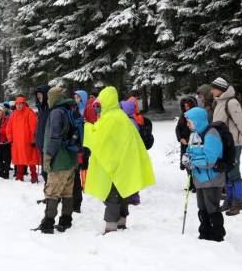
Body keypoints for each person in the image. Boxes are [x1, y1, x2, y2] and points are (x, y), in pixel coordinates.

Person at [83, 86, 155, 233]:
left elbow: (97, 138)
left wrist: (87, 127)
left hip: (113, 165)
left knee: (112, 196)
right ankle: (122, 222)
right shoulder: (122, 117)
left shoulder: (110, 119)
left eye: (100, 103)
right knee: (123, 193)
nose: (98, 107)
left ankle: (111, 227)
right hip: (124, 163)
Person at [35, 87, 78, 234]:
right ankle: (66, 220)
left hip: (59, 160)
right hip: (70, 159)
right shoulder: (68, 109)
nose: (47, 100)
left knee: (52, 192)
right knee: (67, 191)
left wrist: (48, 156)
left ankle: (48, 222)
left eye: (49, 97)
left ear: (53, 98)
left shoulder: (55, 112)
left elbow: (54, 137)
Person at [182, 107, 226, 242]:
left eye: (190, 121)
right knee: (202, 207)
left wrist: (192, 161)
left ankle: (217, 234)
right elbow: (190, 151)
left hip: (212, 178)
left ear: (198, 121)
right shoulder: (194, 134)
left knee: (212, 206)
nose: (188, 124)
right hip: (199, 178)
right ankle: (204, 232)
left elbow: (210, 160)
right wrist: (186, 157)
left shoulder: (211, 134)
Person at [211, 77, 242, 216]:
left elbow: (241, 122)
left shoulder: (231, 102)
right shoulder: (219, 102)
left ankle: (238, 201)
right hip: (222, 143)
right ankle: (229, 199)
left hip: (233, 143)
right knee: (225, 171)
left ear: (220, 89)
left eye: (213, 88)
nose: (211, 90)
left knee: (233, 171)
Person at [6, 96, 40, 182]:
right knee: (19, 159)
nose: (18, 106)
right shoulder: (14, 114)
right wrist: (10, 139)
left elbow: (34, 127)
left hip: (28, 142)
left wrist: (33, 139)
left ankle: (34, 176)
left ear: (24, 104)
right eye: (17, 104)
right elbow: (8, 128)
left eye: (20, 104)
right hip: (17, 142)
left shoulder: (29, 112)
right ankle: (19, 176)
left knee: (31, 160)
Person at [176, 96, 198, 192]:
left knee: (195, 164)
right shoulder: (182, 116)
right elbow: (178, 128)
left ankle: (197, 184)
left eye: (188, 106)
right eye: (185, 106)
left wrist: (190, 139)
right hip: (184, 144)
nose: (186, 108)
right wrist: (180, 138)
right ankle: (191, 183)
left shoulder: (195, 116)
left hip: (194, 143)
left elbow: (197, 129)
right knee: (187, 164)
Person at [72, 90, 87, 213]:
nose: (76, 99)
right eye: (75, 97)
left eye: (78, 97)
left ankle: (85, 184)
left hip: (84, 143)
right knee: (79, 166)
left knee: (84, 164)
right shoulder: (75, 109)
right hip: (78, 143)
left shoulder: (86, 110)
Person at [35, 86, 51, 182]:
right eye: (37, 95)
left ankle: (52, 195)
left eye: (41, 94)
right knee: (44, 171)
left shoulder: (50, 108)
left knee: (48, 171)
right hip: (41, 143)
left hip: (48, 143)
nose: (39, 96)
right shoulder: (41, 108)